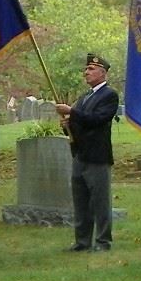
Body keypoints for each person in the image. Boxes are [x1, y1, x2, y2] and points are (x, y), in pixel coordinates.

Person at [58, 54, 118, 253]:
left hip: (97, 157)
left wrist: (72, 113)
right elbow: (80, 123)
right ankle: (82, 241)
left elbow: (96, 119)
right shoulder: (84, 97)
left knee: (100, 201)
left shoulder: (109, 95)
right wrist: (68, 125)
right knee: (81, 201)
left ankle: (103, 241)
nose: (86, 73)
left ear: (103, 73)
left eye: (91, 69)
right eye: (86, 69)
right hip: (80, 155)